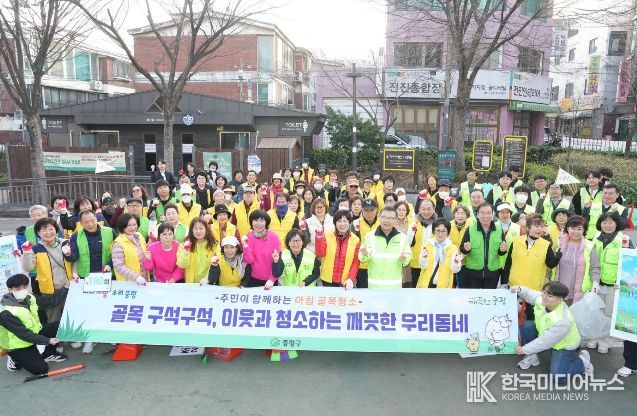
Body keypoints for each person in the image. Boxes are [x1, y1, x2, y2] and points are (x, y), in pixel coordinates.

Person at [511, 282, 593, 382]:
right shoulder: (542, 299)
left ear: (560, 300)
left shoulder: (563, 320)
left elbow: (545, 342)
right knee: (527, 326)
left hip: (564, 345)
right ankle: (532, 356)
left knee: (558, 377)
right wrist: (519, 289)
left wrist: (524, 349)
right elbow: (529, 294)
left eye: (549, 295)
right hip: (546, 334)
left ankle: (583, 363)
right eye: (544, 292)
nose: (544, 296)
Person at [1, 274, 69, 374]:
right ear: (10, 290)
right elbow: (24, 334)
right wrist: (47, 340)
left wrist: (65, 288)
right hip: (19, 344)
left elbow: (50, 302)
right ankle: (14, 359)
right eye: (17, 288)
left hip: (35, 334)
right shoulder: (7, 311)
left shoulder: (30, 298)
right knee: (41, 369)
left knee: (59, 325)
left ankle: (47, 354)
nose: (22, 290)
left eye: (24, 287)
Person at [590, 212, 633, 353]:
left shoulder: (624, 239)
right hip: (597, 282)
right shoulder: (596, 237)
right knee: (596, 311)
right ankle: (594, 337)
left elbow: (630, 263)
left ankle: (606, 341)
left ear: (616, 223)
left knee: (609, 313)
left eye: (610, 222)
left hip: (614, 285)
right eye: (604, 222)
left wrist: (624, 282)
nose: (607, 225)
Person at [20, 218, 72, 323]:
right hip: (50, 291)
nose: (48, 233)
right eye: (44, 230)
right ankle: (54, 334)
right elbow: (28, 268)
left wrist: (73, 279)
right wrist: (26, 252)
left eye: (51, 229)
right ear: (38, 233)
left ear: (56, 230)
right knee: (53, 320)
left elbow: (75, 261)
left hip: (69, 287)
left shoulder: (66, 243)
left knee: (71, 317)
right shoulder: (36, 248)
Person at [502, 214, 561, 292]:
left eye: (541, 226)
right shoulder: (516, 241)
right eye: (536, 226)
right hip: (514, 286)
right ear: (528, 227)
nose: (539, 229)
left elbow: (550, 264)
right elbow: (508, 263)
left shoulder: (546, 245)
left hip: (533, 289)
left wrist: (557, 257)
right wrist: (504, 282)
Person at [359, 207, 411, 289]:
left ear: (396, 220)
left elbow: (407, 258)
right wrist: (365, 254)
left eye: (391, 218)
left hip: (394, 286)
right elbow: (363, 259)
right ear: (379, 217)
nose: (387, 221)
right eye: (384, 217)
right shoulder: (370, 236)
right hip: (374, 286)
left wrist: (404, 258)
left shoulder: (402, 237)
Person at [552, 215, 600, 304]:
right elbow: (551, 263)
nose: (576, 232)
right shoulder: (559, 243)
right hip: (558, 289)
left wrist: (595, 282)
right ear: (567, 229)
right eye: (573, 228)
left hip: (579, 291)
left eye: (579, 229)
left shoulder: (589, 246)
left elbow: (595, 267)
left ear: (584, 230)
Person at [460, 203, 507, 289]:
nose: (486, 216)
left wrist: (502, 250)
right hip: (473, 273)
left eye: (489, 213)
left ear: (492, 214)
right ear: (477, 215)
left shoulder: (499, 230)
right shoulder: (470, 229)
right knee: (473, 297)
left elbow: (502, 252)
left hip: (492, 274)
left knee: (489, 296)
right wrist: (466, 249)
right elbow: (462, 249)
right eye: (482, 213)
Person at [64, 210, 116, 282]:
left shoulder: (111, 232)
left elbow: (120, 253)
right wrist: (68, 254)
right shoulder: (76, 236)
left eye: (92, 220)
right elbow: (73, 258)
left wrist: (110, 265)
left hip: (107, 274)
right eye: (86, 222)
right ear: (81, 223)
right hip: (86, 276)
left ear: (96, 219)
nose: (90, 224)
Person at [314, 210, 359, 289]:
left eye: (345, 221)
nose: (342, 224)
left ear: (349, 222)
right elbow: (320, 254)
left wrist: (350, 278)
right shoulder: (327, 235)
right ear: (335, 223)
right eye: (339, 221)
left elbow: (356, 262)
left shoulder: (355, 240)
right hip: (327, 279)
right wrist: (319, 238)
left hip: (346, 281)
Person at [417, 218, 462, 288]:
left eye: (443, 231)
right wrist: (423, 258)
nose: (440, 234)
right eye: (438, 230)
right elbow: (422, 266)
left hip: (444, 286)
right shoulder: (427, 245)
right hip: (426, 284)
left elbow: (454, 270)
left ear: (448, 232)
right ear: (433, 231)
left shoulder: (453, 248)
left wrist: (456, 262)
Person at [242, 210, 281, 288]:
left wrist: (272, 279)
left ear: (266, 222)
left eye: (262, 221)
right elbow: (249, 260)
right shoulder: (249, 236)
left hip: (271, 281)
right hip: (253, 279)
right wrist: (245, 246)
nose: (258, 223)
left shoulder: (274, 237)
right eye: (256, 220)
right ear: (251, 222)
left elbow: (277, 261)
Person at [176, 218, 217, 284]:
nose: (198, 231)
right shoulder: (184, 244)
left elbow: (217, 265)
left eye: (201, 228)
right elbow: (182, 265)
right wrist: (186, 252)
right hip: (191, 284)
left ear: (206, 229)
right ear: (191, 230)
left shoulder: (214, 245)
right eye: (195, 228)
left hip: (208, 283)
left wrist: (208, 278)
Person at [111, 213, 148, 286]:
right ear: (123, 226)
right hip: (128, 283)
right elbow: (118, 266)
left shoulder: (139, 236)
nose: (133, 228)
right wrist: (136, 277)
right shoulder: (118, 243)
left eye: (134, 224)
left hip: (143, 279)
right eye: (129, 225)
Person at [351, 199, 379, 288]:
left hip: (378, 264)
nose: (369, 213)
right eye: (366, 210)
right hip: (362, 265)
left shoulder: (382, 223)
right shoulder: (356, 223)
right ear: (362, 210)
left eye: (372, 210)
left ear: (376, 210)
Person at [409, 199, 437, 288]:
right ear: (419, 209)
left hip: (432, 262)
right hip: (416, 262)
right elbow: (408, 242)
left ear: (434, 209)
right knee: (416, 287)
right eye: (423, 209)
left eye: (429, 209)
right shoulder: (413, 222)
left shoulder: (438, 224)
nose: (426, 212)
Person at [450, 205, 470, 288]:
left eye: (463, 213)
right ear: (454, 214)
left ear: (467, 215)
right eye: (458, 213)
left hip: (466, 263)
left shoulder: (471, 226)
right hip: (451, 261)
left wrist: (462, 256)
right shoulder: (448, 225)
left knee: (463, 286)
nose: (460, 216)